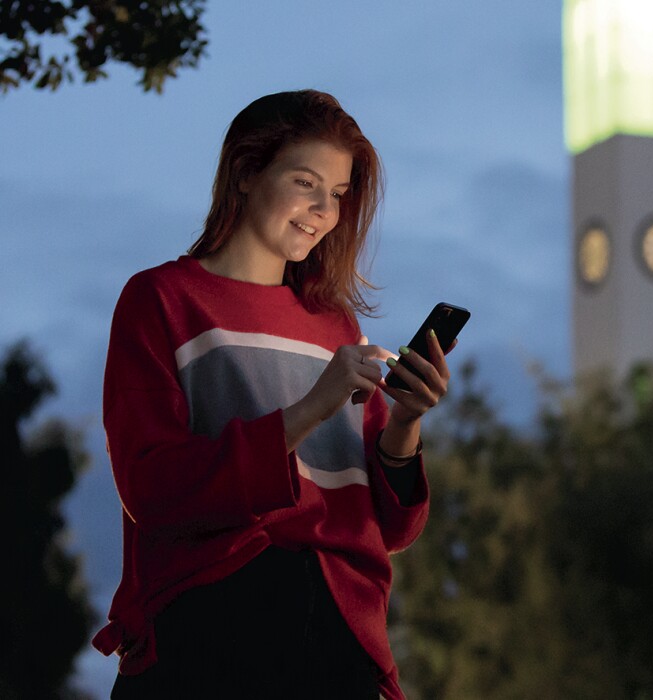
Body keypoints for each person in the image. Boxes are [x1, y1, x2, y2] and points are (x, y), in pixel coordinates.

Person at [93, 90, 450, 699]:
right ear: (245, 172)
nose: (323, 210)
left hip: (342, 634)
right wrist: (311, 407)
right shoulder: (162, 300)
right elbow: (151, 488)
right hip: (211, 627)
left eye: (337, 195)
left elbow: (389, 527)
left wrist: (405, 426)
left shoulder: (334, 326)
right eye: (305, 182)